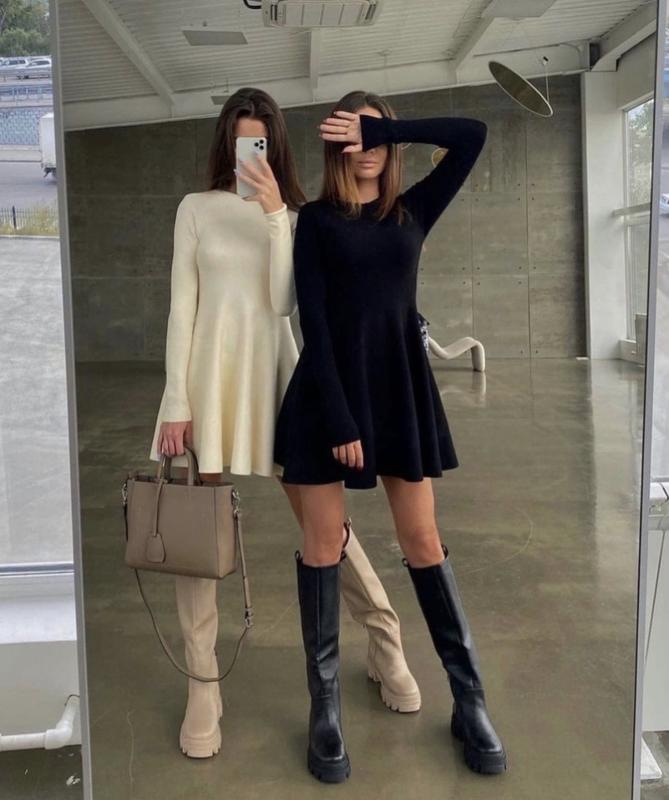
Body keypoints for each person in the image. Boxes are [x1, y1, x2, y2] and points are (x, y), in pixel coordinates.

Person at [148, 87, 419, 760]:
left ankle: (385, 640)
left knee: (325, 527)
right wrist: (174, 400)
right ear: (227, 142)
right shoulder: (194, 209)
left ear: (276, 149)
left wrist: (274, 215)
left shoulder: (301, 218)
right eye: (243, 140)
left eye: (262, 143)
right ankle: (202, 685)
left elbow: (281, 304)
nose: (252, 154)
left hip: (281, 377)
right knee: (195, 533)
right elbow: (182, 307)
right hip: (207, 383)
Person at [273, 90, 507, 783]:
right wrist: (341, 419)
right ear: (336, 146)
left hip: (400, 392)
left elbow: (470, 134)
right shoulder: (316, 221)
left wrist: (388, 127)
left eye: (377, 136)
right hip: (329, 397)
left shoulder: (412, 210)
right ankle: (325, 710)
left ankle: (469, 701)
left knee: (423, 542)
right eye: (357, 134)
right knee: (323, 546)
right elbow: (313, 322)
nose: (369, 147)